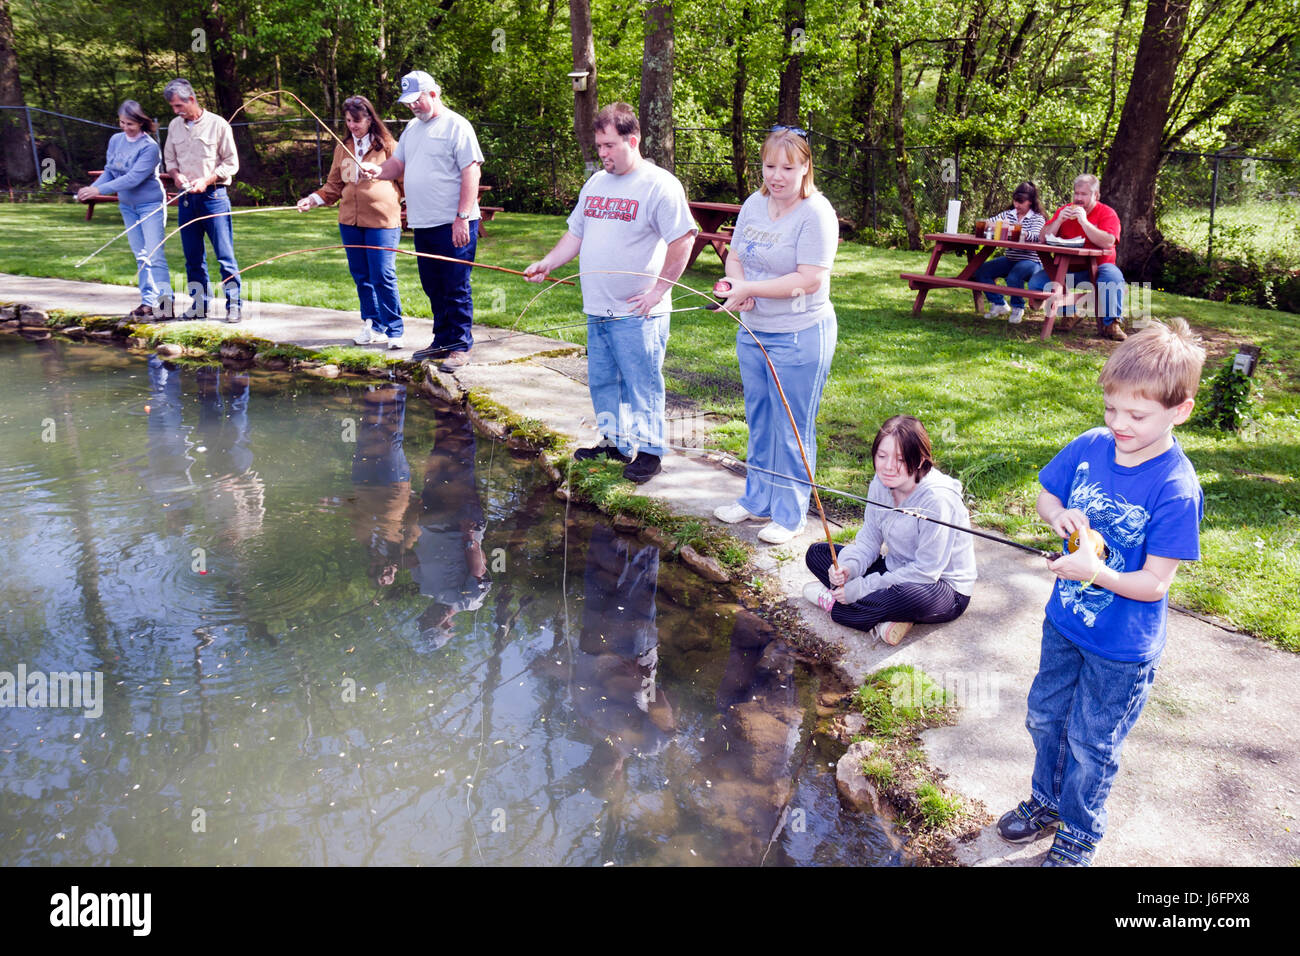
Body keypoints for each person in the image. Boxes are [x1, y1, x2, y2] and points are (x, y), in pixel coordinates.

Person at [997, 318, 1205, 866]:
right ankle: (1046, 801)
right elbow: (1046, 494)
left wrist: (1094, 573)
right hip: (1064, 624)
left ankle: (1080, 834)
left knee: (1092, 742)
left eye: (1137, 415)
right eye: (1111, 409)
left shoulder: (1176, 488)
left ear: (1179, 411)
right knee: (1045, 716)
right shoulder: (1092, 446)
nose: (1119, 424)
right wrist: (1060, 514)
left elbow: (1154, 584)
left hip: (1121, 647)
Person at [523, 102, 697, 485]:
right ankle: (616, 442)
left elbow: (684, 238)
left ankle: (650, 451)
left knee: (642, 381)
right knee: (603, 380)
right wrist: (548, 263)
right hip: (597, 306)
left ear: (631, 140)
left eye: (608, 146)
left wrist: (659, 291)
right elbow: (576, 234)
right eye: (598, 146)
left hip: (638, 311)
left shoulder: (659, 185)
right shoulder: (596, 183)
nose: (601, 154)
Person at [710, 126, 839, 544]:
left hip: (799, 334)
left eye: (787, 167)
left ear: (805, 167)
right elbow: (735, 257)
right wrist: (737, 287)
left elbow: (810, 279)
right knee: (760, 420)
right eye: (769, 166)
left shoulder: (817, 213)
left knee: (792, 427)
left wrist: (752, 290)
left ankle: (789, 514)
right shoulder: (754, 203)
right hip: (754, 331)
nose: (777, 176)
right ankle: (756, 500)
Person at [801, 415, 976, 645]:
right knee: (817, 554)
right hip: (895, 567)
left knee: (901, 597)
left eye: (901, 459)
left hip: (939, 586)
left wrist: (861, 587)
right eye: (882, 456)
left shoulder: (938, 500)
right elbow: (869, 540)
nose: (888, 466)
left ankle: (841, 604)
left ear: (921, 459)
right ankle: (879, 617)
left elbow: (926, 571)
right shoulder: (880, 482)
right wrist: (848, 569)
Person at [362, 71, 483, 370]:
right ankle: (441, 340)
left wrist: (461, 217)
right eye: (408, 102)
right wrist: (378, 170)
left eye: (417, 100)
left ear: (434, 93)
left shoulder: (457, 126)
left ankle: (459, 346)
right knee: (433, 285)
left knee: (455, 286)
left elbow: (472, 171)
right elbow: (398, 164)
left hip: (455, 221)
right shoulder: (413, 129)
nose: (413, 106)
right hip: (423, 223)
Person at [297, 95, 405, 349]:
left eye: (357, 121)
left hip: (382, 222)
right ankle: (372, 324)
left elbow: (404, 179)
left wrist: (404, 201)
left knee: (383, 274)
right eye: (348, 121)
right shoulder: (341, 147)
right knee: (361, 275)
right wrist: (312, 200)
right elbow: (333, 186)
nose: (353, 126)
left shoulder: (389, 145)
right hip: (349, 222)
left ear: (370, 118)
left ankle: (395, 329)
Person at [77, 101, 174, 319]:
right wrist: (92, 188)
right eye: (122, 122)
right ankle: (148, 303)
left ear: (141, 122)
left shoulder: (149, 147)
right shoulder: (116, 140)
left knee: (154, 255)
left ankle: (166, 305)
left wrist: (98, 190)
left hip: (150, 204)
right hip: (127, 206)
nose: (125, 127)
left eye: (130, 123)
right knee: (140, 255)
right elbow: (111, 171)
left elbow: (133, 179)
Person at [161, 78, 242, 323]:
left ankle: (234, 305)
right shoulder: (174, 126)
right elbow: (170, 161)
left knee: (224, 255)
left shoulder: (218, 125)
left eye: (178, 106)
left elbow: (231, 163)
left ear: (192, 100)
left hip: (214, 197)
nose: (175, 111)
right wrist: (176, 176)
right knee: (193, 257)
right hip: (186, 200)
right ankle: (199, 305)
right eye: (173, 107)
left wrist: (206, 180)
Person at [1026, 173, 1127, 340]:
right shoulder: (1064, 211)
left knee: (1113, 276)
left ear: (1096, 195)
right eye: (1076, 193)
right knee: (1037, 283)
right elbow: (1042, 237)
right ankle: (1070, 312)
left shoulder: (1107, 213)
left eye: (1084, 194)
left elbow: (1108, 242)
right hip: (1069, 268)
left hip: (1099, 268)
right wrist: (1058, 221)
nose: (1078, 198)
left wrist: (1084, 222)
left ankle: (1111, 323)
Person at [974, 180, 1046, 324]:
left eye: (1021, 202)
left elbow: (1036, 236)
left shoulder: (1037, 218)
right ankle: (999, 303)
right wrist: (996, 225)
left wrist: (1015, 229)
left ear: (1030, 202)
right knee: (981, 271)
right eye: (1015, 201)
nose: (1016, 205)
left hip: (1031, 261)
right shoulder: (1009, 214)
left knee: (1015, 275)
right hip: (1011, 258)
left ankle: (1018, 307)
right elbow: (987, 223)